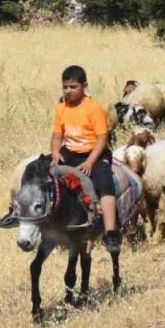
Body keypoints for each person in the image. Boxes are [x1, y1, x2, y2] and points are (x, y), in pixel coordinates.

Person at [51, 65, 121, 252]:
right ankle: (52, 225)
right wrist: (56, 152)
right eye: (65, 87)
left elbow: (102, 138)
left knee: (105, 184)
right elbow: (57, 136)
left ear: (84, 86)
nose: (68, 91)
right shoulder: (61, 109)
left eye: (73, 87)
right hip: (70, 151)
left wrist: (90, 162)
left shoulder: (94, 109)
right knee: (49, 178)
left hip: (94, 152)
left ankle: (110, 232)